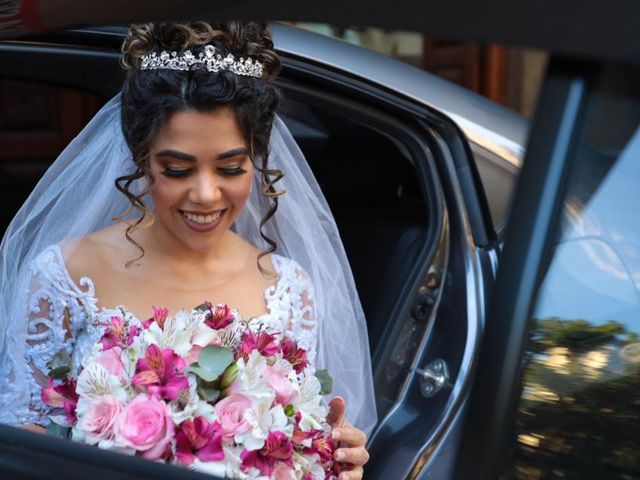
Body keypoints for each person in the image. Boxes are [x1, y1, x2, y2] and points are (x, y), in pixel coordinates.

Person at [0, 21, 376, 479]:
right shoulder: (64, 274)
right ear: (141, 159)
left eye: (230, 168)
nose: (206, 195)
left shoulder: (288, 288)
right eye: (177, 169)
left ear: (256, 159)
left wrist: (329, 462)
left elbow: (294, 444)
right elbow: (21, 447)